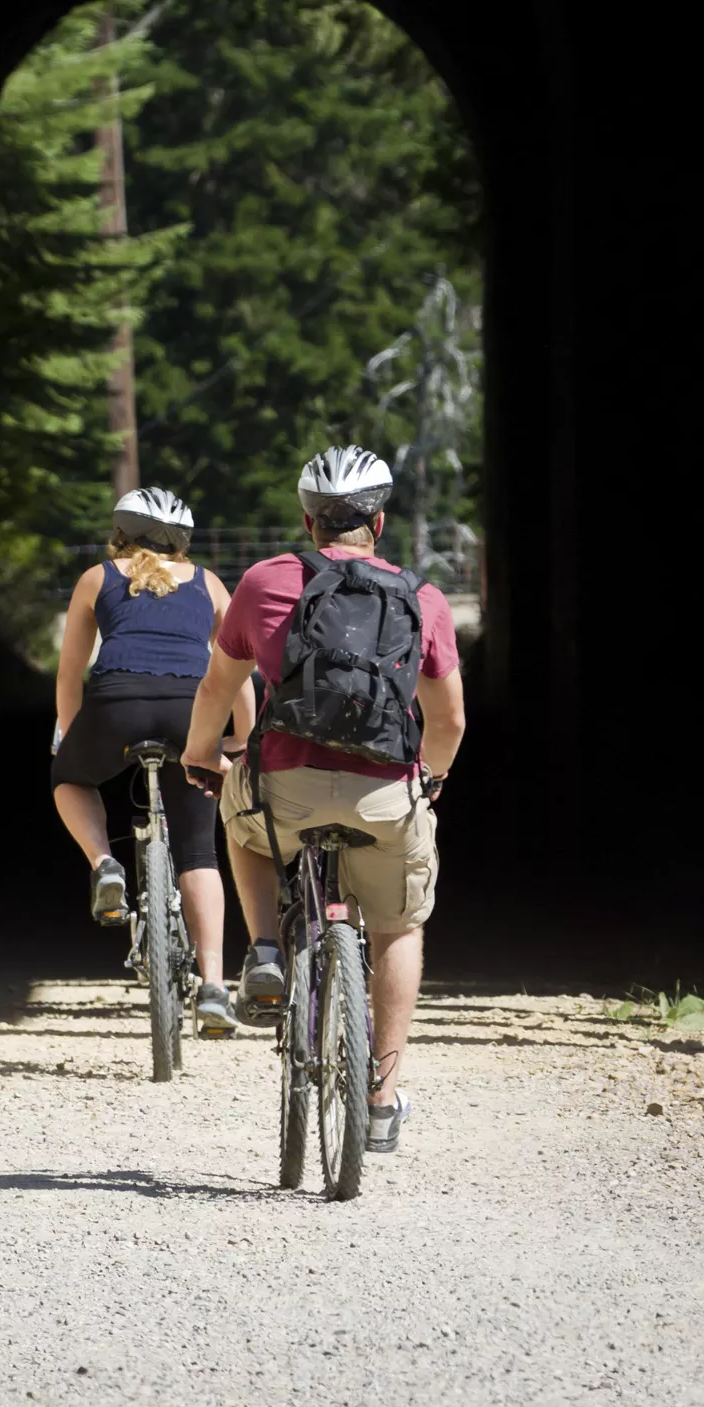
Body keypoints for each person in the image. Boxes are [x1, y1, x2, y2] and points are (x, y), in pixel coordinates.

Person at [181, 446, 465, 1152]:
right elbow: (449, 720)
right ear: (380, 520)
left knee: (238, 822)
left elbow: (220, 687)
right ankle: (381, 1100)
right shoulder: (422, 597)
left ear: (309, 522)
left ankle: (269, 949)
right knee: (398, 926)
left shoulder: (265, 581)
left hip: (286, 789)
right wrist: (428, 779)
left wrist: (199, 755)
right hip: (383, 794)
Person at [52, 486, 256, 1034]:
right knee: (198, 852)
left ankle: (105, 863)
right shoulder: (209, 582)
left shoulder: (98, 578)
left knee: (70, 777)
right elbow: (235, 667)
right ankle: (214, 985)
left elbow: (70, 673)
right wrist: (240, 735)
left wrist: (70, 737)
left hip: (116, 704)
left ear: (120, 533)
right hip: (191, 708)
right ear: (182, 541)